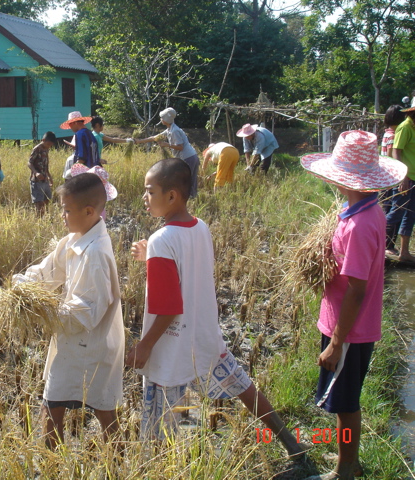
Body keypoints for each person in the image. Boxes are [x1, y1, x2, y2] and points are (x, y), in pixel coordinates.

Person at [125, 158, 304, 457]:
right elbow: (189, 273)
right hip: (205, 337)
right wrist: (150, 258)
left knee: (158, 422)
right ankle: (291, 444)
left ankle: (153, 467)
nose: (144, 198)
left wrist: (144, 345)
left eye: (150, 191)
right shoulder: (200, 227)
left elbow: (168, 307)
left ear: (172, 196)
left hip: (172, 347)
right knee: (243, 387)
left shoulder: (161, 240)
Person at [300, 130, 407, 480]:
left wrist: (336, 342)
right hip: (346, 326)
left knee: (345, 403)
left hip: (350, 331)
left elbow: (357, 290)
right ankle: (348, 456)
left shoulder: (360, 225)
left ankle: (347, 468)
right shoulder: (362, 211)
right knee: (341, 400)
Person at [12, 173, 124, 449]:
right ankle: (59, 464)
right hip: (74, 343)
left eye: (66, 210)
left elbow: (86, 312)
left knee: (92, 406)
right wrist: (21, 287)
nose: (62, 216)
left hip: (90, 344)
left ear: (88, 212)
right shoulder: (74, 240)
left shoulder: (95, 252)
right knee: (65, 403)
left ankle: (114, 461)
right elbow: (48, 272)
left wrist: (44, 309)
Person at [134, 107, 200, 198]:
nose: (161, 119)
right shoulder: (169, 129)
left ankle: (191, 197)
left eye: (162, 118)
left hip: (188, 157)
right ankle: (190, 197)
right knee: (187, 178)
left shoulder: (174, 131)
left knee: (188, 179)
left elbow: (180, 147)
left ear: (166, 119)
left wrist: (166, 144)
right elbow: (155, 137)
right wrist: (139, 141)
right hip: (188, 157)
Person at [385, 105, 415, 262]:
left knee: (410, 215)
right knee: (396, 212)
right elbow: (397, 151)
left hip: (414, 178)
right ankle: (377, 245)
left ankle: (404, 252)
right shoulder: (405, 127)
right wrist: (403, 177)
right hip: (406, 178)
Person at [380, 105, 406, 219]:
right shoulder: (393, 136)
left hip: (384, 176)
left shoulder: (387, 133)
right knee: (391, 209)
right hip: (390, 177)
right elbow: (391, 156)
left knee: (387, 207)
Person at [28, 131, 56, 216]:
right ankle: (39, 220)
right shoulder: (37, 149)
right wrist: (36, 173)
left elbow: (46, 165)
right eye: (48, 144)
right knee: (39, 203)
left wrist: (49, 177)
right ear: (43, 140)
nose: (49, 146)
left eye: (51, 145)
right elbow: (29, 163)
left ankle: (45, 219)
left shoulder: (46, 149)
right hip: (36, 181)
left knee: (47, 200)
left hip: (45, 180)